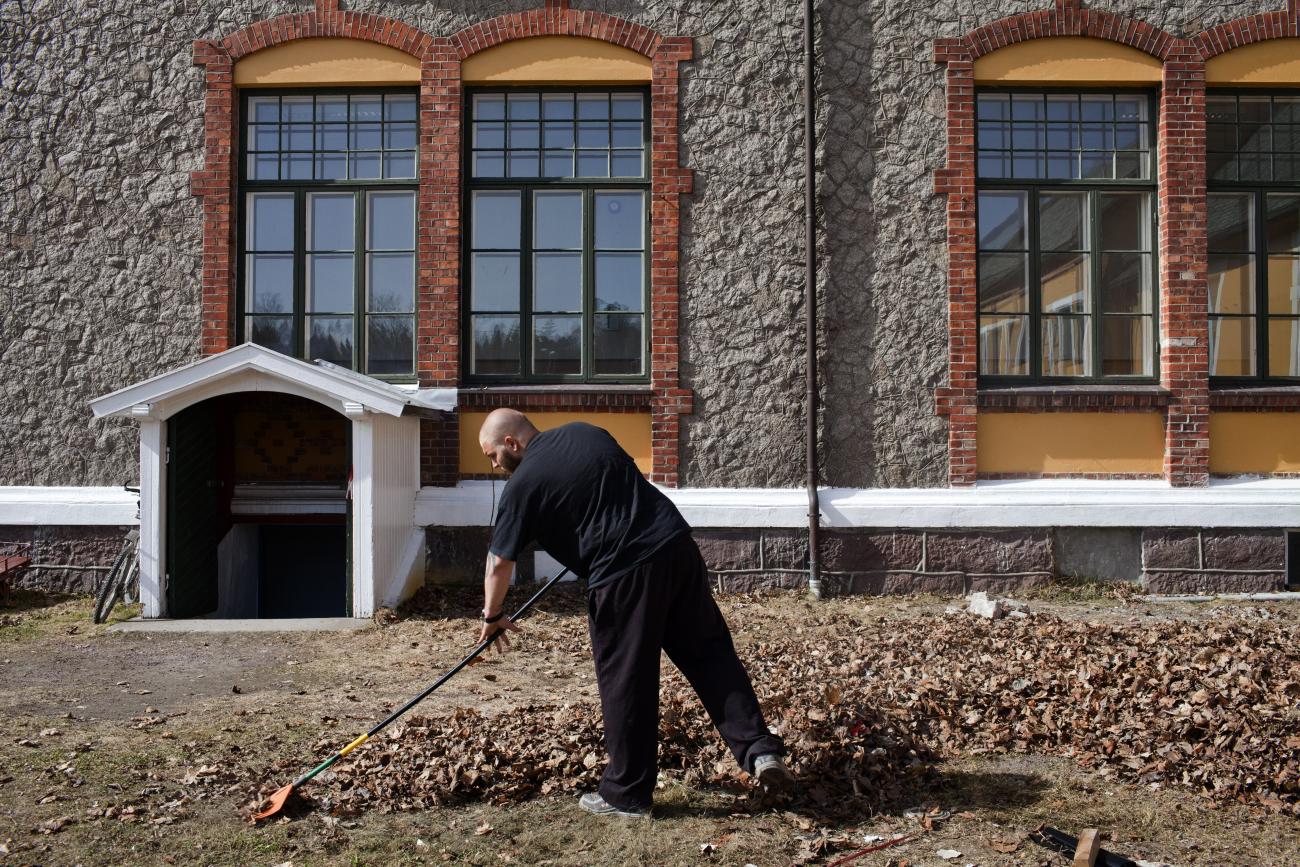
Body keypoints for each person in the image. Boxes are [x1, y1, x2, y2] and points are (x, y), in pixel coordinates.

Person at [476, 408, 792, 818]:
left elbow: (499, 562)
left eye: (493, 455)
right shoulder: (586, 432)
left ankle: (625, 794)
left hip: (623, 576)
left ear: (512, 443)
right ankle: (759, 751)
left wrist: (492, 615)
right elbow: (612, 488)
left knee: (627, 679)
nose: (494, 465)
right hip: (674, 546)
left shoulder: (521, 486)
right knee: (710, 655)